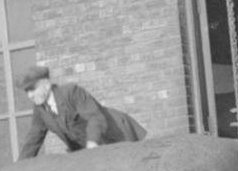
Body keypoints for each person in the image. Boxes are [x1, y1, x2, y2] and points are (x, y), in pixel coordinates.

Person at [17, 64, 147, 158]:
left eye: (33, 89)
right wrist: (19, 168)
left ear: (46, 84)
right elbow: (33, 139)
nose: (30, 95)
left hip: (117, 135)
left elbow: (95, 118)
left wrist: (92, 142)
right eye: (27, 91)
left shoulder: (71, 92)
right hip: (91, 152)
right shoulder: (40, 110)